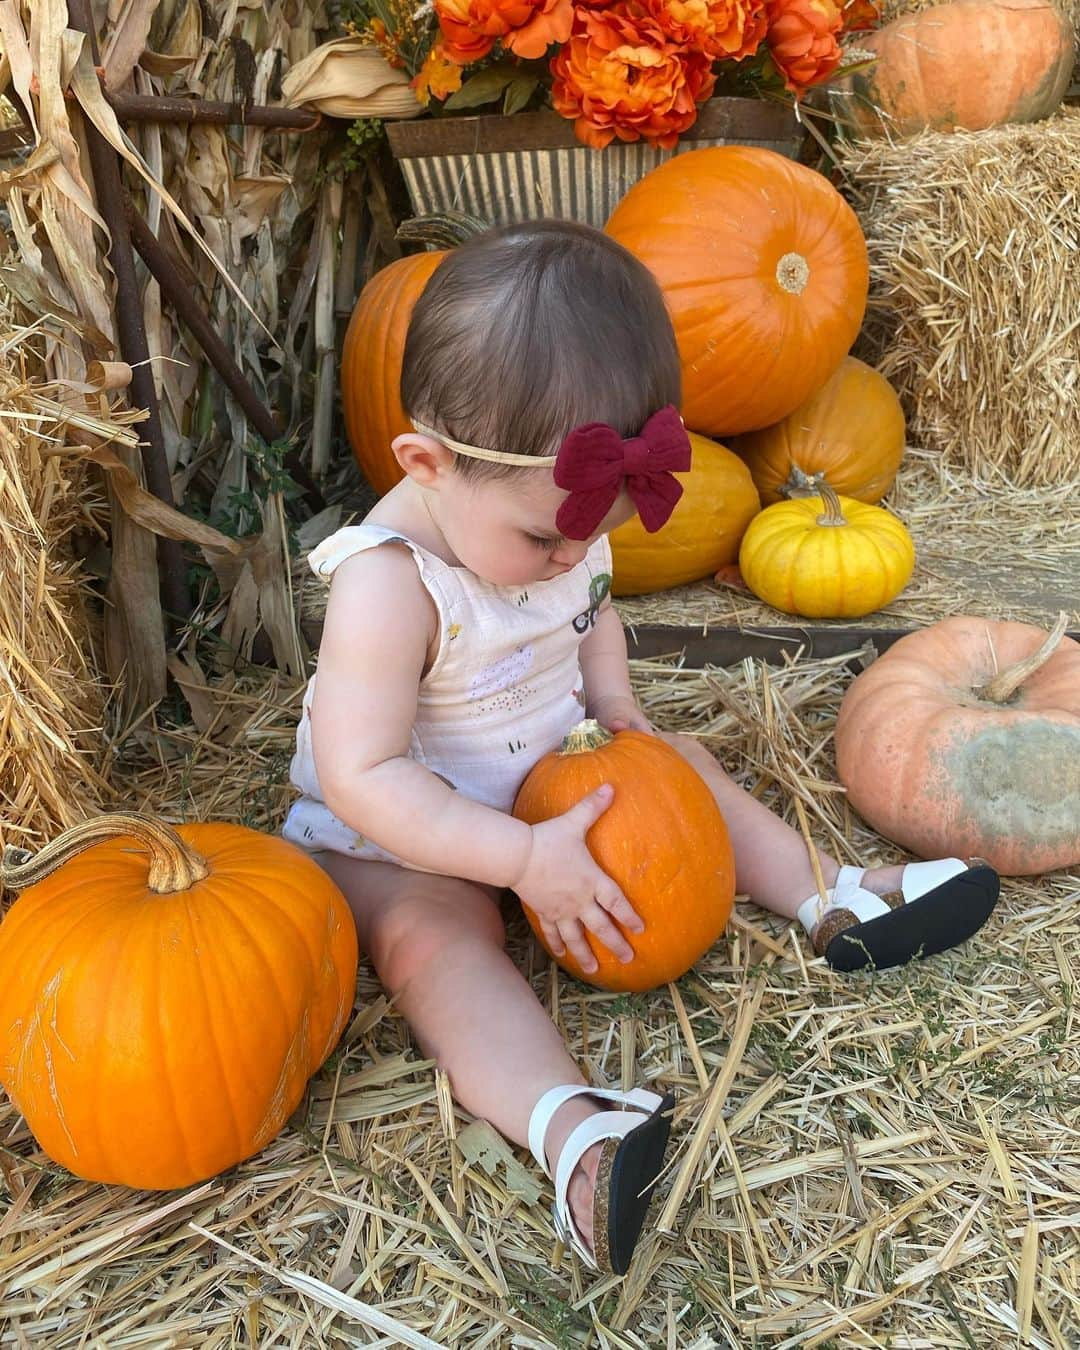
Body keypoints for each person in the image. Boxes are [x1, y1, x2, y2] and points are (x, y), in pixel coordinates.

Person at [283, 220, 999, 1276]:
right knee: (433, 947)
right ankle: (573, 1129)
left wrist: (616, 703)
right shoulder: (389, 584)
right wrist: (519, 861)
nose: (571, 553)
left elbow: (596, 610)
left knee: (691, 773)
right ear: (425, 464)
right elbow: (363, 772)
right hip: (405, 837)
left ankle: (836, 897)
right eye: (544, 541)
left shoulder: (562, 526)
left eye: (594, 529)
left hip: (552, 780)